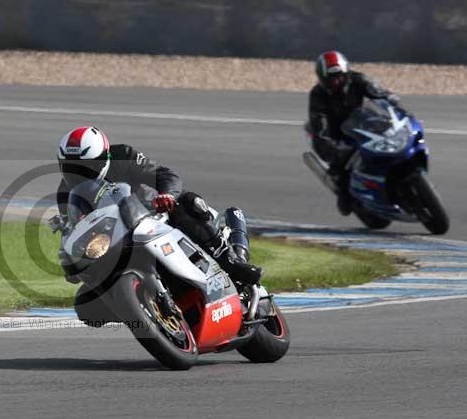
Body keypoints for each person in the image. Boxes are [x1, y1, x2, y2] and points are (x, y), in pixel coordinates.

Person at [55, 126, 262, 286]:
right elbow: (73, 230)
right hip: (115, 241)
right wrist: (71, 260)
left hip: (150, 215)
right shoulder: (65, 194)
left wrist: (166, 195)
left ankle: (230, 261)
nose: (79, 174)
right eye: (71, 168)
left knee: (187, 203)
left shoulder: (123, 156)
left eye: (86, 167)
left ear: (104, 159)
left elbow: (165, 174)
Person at [309, 50, 403, 215]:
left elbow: (378, 93)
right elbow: (320, 126)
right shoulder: (318, 95)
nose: (336, 80)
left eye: (339, 75)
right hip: (336, 133)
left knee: (391, 138)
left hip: (362, 123)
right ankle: (345, 192)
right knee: (344, 167)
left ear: (346, 72)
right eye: (331, 78)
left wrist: (390, 99)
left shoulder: (358, 79)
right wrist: (333, 148)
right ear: (323, 79)